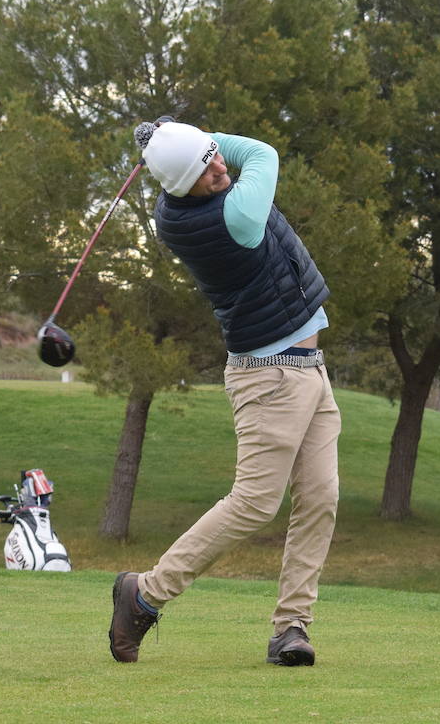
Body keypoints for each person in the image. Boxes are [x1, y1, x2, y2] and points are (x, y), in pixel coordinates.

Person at [107, 119, 341, 667]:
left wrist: (180, 144)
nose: (219, 169)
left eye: (214, 157)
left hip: (307, 368)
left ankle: (291, 626)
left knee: (321, 497)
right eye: (203, 170)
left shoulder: (178, 206)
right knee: (256, 501)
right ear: (178, 188)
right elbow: (262, 152)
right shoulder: (236, 215)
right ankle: (143, 595)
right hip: (272, 377)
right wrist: (201, 135)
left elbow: (212, 163)